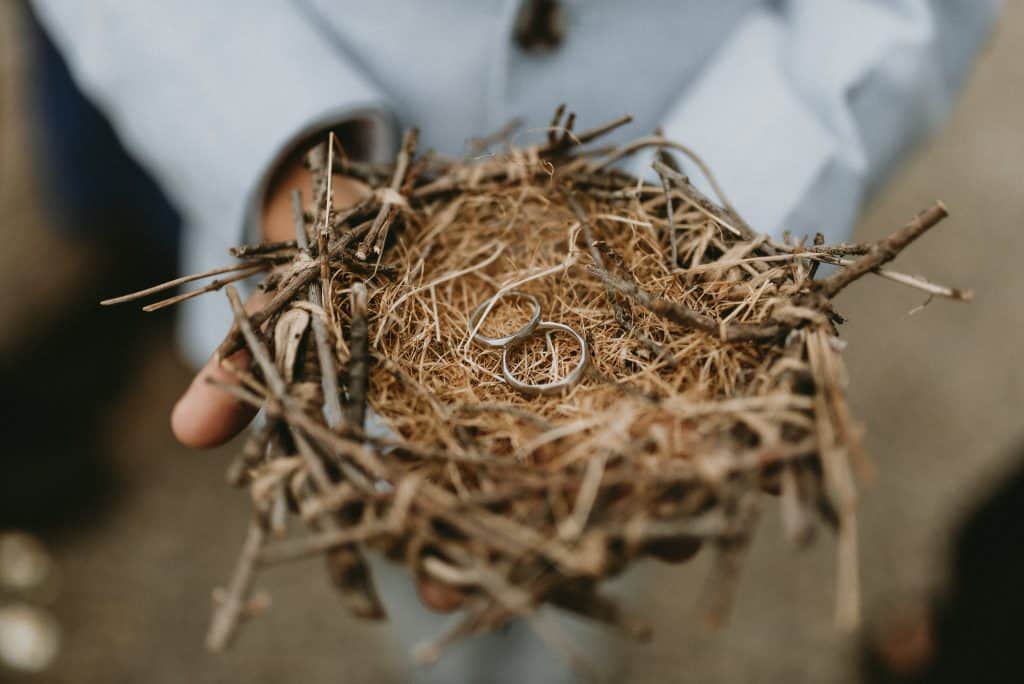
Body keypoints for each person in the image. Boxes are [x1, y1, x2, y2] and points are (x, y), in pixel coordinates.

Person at [27, 1, 1000, 681]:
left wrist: (706, 235)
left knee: (592, 528)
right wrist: (285, 158)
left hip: (700, 158)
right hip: (337, 171)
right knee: (411, 538)